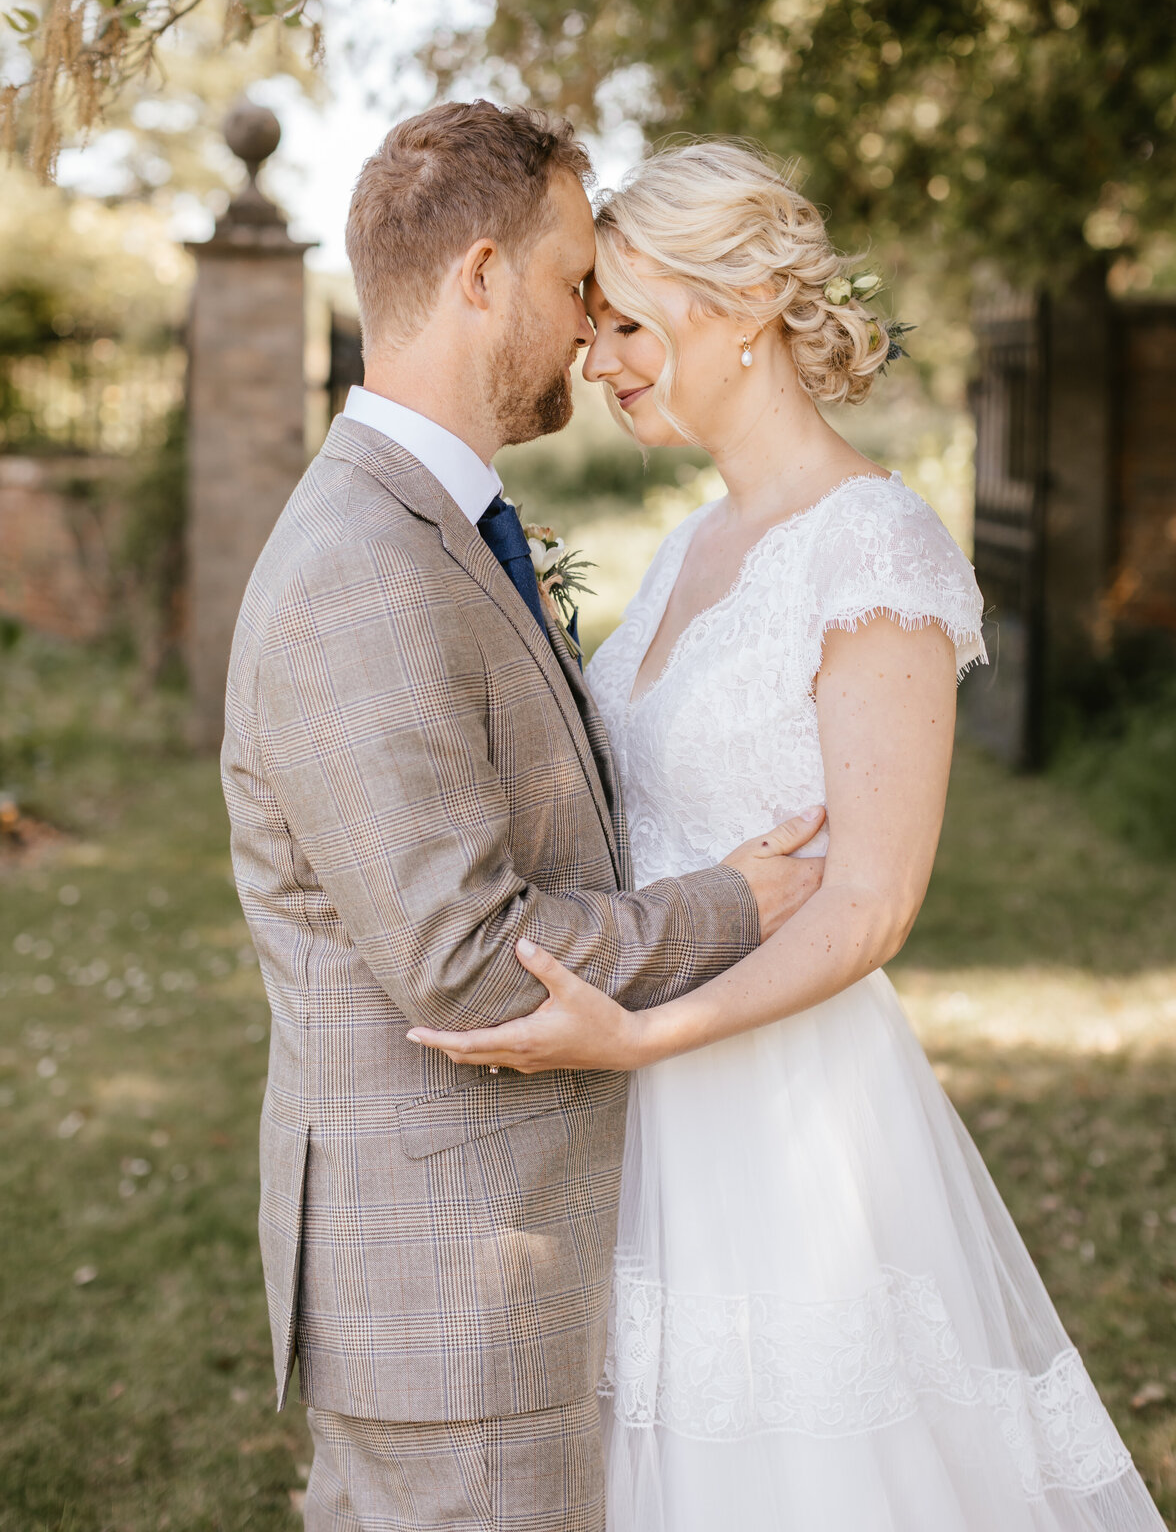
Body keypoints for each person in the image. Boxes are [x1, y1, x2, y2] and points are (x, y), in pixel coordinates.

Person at [414, 142, 1169, 1531]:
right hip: (637, 1108)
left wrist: (644, 1037)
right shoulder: (704, 539)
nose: (601, 361)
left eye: (628, 323)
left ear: (745, 304)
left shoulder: (870, 549)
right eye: (597, 327)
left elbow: (873, 902)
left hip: (778, 1111)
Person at [221, 103, 826, 1532]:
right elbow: (469, 960)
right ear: (482, 276)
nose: (586, 333)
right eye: (572, 288)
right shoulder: (363, 568)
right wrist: (734, 907)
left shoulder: (429, 525)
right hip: (453, 1289)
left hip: (490, 1269)